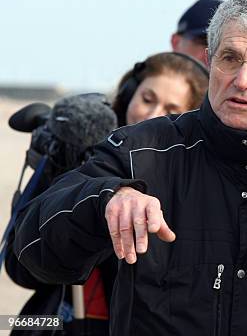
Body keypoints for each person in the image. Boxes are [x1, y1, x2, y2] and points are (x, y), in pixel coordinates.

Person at [14, 0, 247, 335]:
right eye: (230, 59)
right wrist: (105, 198)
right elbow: (32, 251)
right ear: (210, 62)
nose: (242, 80)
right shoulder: (138, 153)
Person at [6, 52, 209, 335]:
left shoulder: (190, 184)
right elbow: (20, 271)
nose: (151, 115)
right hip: (52, 322)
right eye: (147, 99)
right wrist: (61, 170)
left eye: (170, 110)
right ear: (129, 93)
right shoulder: (81, 153)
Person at [170, 0, 223, 67]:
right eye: (204, 42)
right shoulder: (154, 76)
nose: (213, 54)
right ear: (176, 43)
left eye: (221, 44)